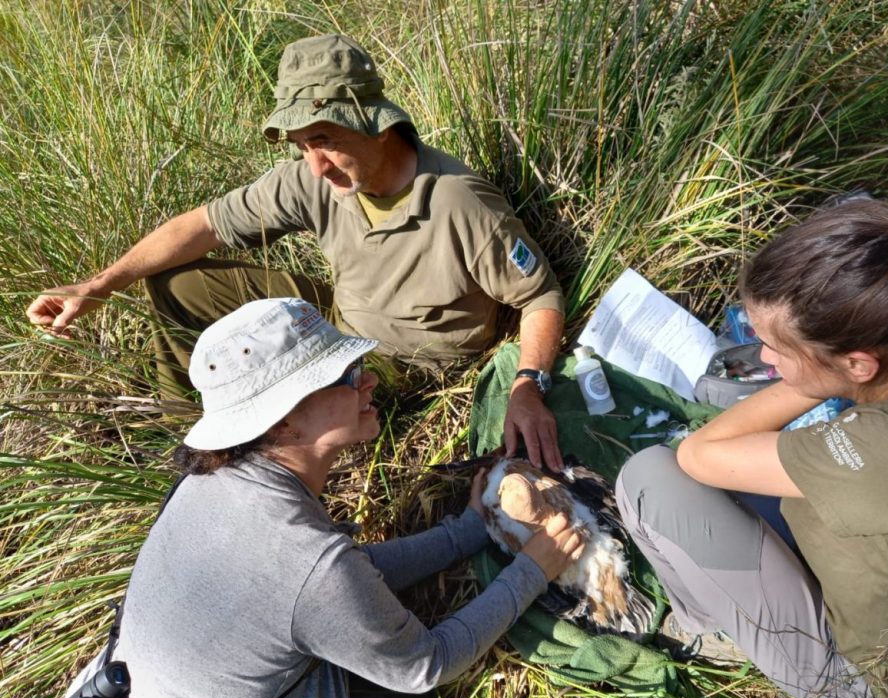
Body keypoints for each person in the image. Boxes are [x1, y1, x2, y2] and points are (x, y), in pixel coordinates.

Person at [39, 297, 584, 698]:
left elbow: (334, 581)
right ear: (280, 423)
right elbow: (426, 664)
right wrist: (534, 569)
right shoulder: (309, 564)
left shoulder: (210, 479)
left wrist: (466, 531)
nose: (368, 378)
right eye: (345, 377)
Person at [25, 33, 565, 471]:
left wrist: (527, 388)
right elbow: (204, 225)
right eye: (302, 145)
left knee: (292, 399)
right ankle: (187, 436)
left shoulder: (458, 203)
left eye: (324, 139)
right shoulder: (315, 180)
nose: (315, 166)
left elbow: (540, 296)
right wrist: (97, 286)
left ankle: (246, 461)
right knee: (177, 283)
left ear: (375, 125)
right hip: (337, 318)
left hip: (403, 361)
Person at [615, 198, 888, 698]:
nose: (764, 358)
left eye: (777, 350)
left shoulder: (884, 448)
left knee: (650, 477)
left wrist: (814, 380)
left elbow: (698, 455)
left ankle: (706, 631)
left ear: (861, 363)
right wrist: (819, 365)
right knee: (742, 422)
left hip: (861, 670)